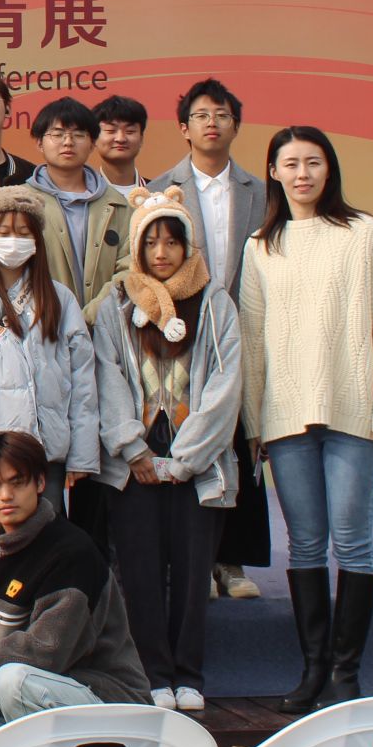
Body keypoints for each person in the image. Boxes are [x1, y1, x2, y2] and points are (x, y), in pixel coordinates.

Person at [241, 126, 373, 711]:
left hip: (355, 411)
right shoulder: (261, 245)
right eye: (290, 163)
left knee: (354, 542)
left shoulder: (363, 233)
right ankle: (313, 671)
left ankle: (346, 674)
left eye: (313, 162)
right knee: (306, 545)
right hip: (285, 415)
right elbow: (252, 339)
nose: (303, 174)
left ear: (329, 169)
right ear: (273, 172)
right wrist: (253, 422)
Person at [92, 188, 242, 713]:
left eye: (172, 242)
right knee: (140, 568)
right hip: (135, 458)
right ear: (137, 248)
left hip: (196, 458)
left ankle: (188, 674)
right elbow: (106, 376)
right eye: (151, 241)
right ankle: (153, 674)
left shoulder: (215, 302)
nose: (161, 252)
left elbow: (226, 382)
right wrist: (133, 449)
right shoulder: (117, 305)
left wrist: (188, 458)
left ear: (187, 246)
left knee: (193, 569)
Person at [0, 431, 150, 747]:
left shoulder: (72, 552)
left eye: (17, 483)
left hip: (107, 705)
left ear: (40, 483)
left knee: (14, 680)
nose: (6, 496)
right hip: (32, 706)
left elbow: (46, 652)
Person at [161, 78, 271, 602]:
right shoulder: (164, 188)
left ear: (235, 125)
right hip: (185, 334)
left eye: (222, 115)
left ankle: (232, 561)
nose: (212, 123)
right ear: (184, 128)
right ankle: (195, 560)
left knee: (242, 444)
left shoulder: (261, 193)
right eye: (201, 115)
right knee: (192, 437)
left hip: (243, 331)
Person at [0, 185, 98, 532]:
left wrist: (83, 455)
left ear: (37, 239)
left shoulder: (60, 299)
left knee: (46, 542)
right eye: (4, 232)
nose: (13, 241)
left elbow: (83, 383)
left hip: (45, 451)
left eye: (24, 233)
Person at [26, 98, 132, 325]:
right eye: (57, 134)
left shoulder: (118, 205)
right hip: (42, 328)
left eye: (78, 134)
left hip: (106, 329)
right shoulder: (22, 203)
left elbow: (130, 267)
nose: (68, 142)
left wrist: (91, 315)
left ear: (92, 143)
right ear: (40, 143)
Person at [92, 95, 151, 198]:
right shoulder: (86, 195)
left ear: (141, 138)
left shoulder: (158, 194)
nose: (120, 139)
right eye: (110, 131)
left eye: (130, 131)